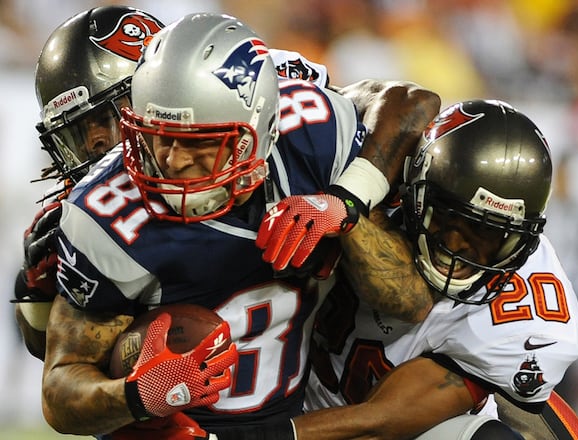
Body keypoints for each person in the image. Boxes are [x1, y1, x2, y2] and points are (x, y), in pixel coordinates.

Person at [42, 12, 439, 439]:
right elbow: (60, 389)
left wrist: (345, 213)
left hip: (296, 419)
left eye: (197, 141)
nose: (172, 159)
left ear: (258, 133)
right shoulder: (106, 215)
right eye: (159, 136)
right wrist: (139, 395)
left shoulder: (313, 137)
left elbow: (410, 301)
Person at [260, 100, 578, 439]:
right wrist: (351, 196)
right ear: (414, 191)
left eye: (488, 233)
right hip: (293, 396)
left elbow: (378, 424)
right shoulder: (379, 174)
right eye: (448, 218)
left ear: (520, 240)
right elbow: (408, 101)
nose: (458, 246)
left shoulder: (528, 319)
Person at [13, 5, 165, 362]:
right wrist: (37, 290)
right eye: (77, 131)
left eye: (104, 116)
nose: (94, 140)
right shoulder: (83, 216)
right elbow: (48, 352)